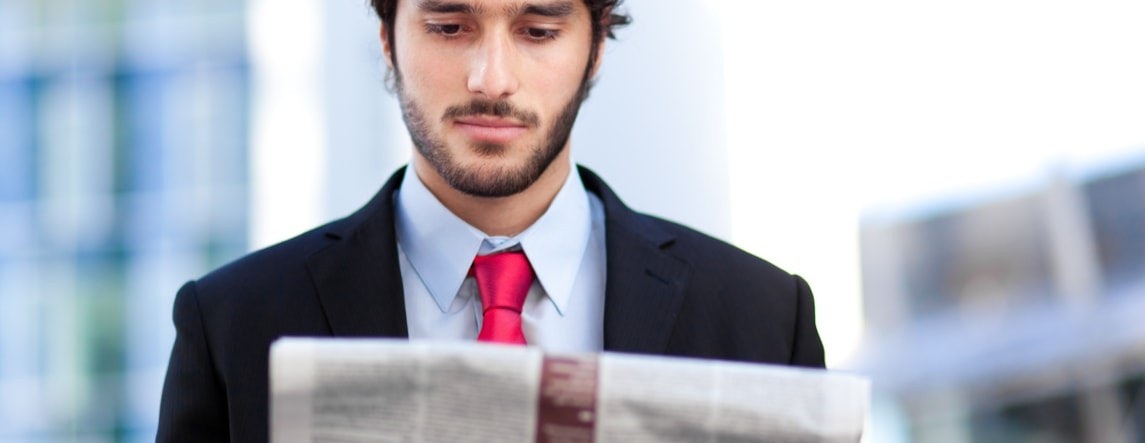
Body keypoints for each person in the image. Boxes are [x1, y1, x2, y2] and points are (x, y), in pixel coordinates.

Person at [157, 0, 825, 441]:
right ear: (387, 38)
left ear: (595, 48)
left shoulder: (762, 318)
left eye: (538, 31)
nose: (491, 78)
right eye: (449, 26)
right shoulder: (232, 325)